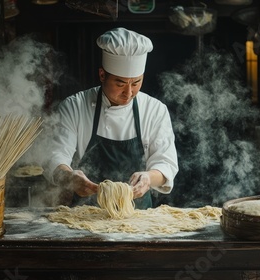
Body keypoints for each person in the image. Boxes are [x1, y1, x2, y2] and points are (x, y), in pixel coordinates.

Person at [45, 27, 179, 209]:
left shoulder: (154, 110)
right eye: (120, 83)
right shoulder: (75, 106)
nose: (129, 92)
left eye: (136, 82)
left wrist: (148, 178)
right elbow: (55, 156)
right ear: (102, 75)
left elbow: (166, 163)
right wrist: (70, 178)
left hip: (138, 217)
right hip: (87, 214)